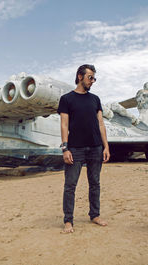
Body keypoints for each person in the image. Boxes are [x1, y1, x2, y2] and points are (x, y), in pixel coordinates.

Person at [57, 64, 110, 233]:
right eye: (90, 77)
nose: (93, 81)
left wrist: (106, 147)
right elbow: (64, 125)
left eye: (94, 78)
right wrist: (65, 148)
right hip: (75, 148)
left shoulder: (95, 99)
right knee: (70, 185)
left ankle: (95, 215)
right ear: (80, 77)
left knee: (95, 184)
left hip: (96, 147)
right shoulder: (66, 99)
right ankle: (68, 220)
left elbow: (101, 124)